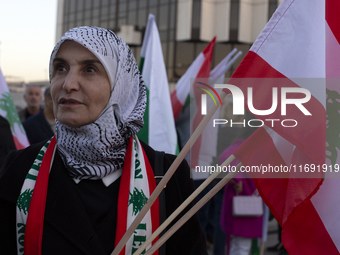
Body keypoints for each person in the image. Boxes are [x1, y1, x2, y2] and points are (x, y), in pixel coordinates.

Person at [0, 26, 207, 255]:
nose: (68, 83)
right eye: (60, 68)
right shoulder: (20, 168)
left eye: (89, 69)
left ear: (121, 85)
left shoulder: (168, 176)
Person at [219, 123, 262, 255]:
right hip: (246, 199)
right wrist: (238, 180)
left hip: (245, 200)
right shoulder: (243, 147)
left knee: (238, 244)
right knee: (242, 245)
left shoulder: (244, 146)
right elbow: (224, 158)